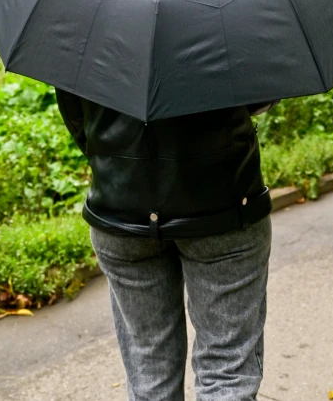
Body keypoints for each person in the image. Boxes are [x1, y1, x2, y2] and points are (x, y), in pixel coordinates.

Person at [55, 88, 279, 401]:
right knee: (227, 371)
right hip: (223, 207)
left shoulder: (85, 37)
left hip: (122, 208)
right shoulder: (222, 35)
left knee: (150, 374)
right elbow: (259, 92)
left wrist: (115, 163)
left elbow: (75, 112)